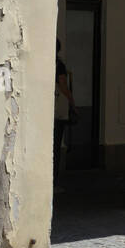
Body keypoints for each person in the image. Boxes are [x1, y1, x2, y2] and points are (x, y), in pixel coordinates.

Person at [54, 40, 76, 188]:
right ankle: (53, 181)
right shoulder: (59, 65)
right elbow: (63, 85)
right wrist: (72, 102)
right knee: (55, 146)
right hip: (57, 112)